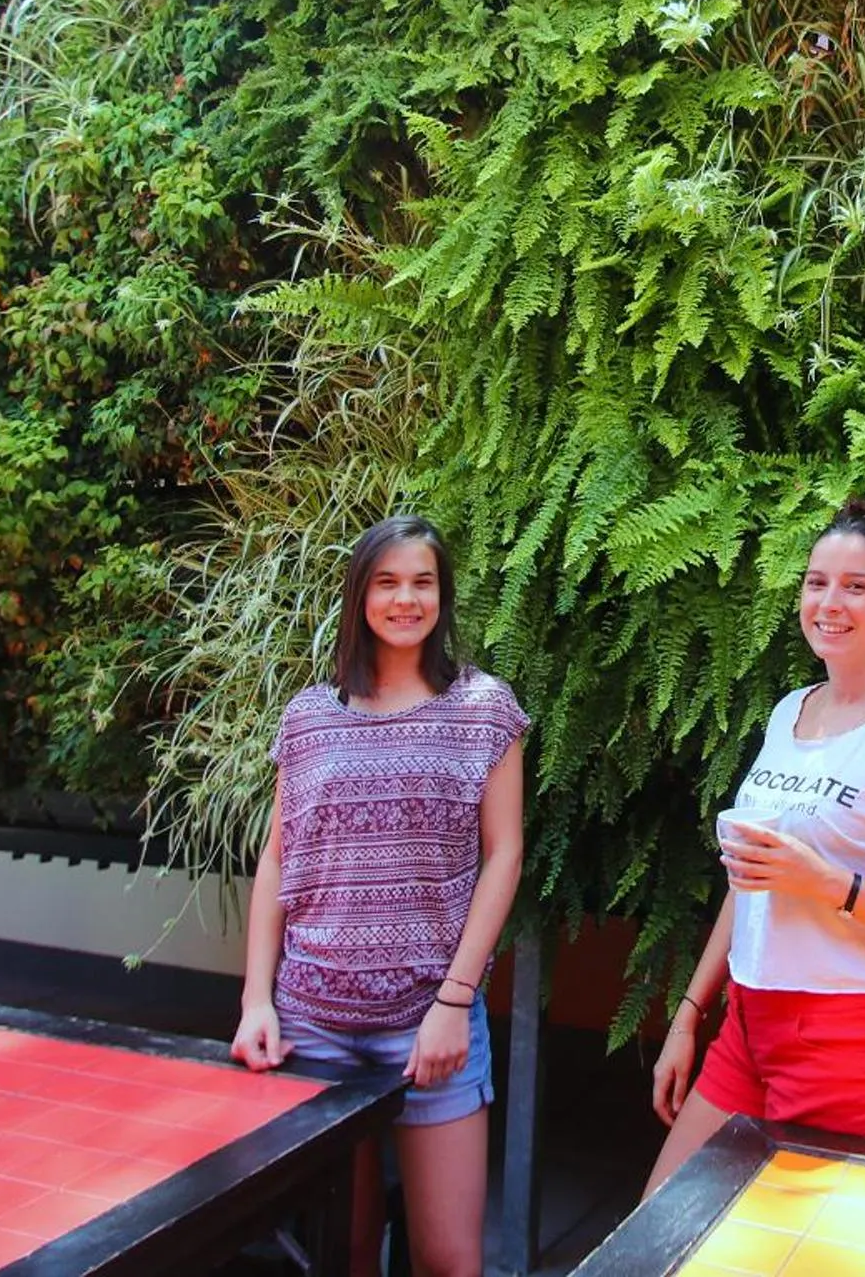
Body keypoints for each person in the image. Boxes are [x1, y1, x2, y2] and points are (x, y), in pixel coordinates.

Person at [643, 498, 865, 1195]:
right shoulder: (790, 712)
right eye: (815, 581)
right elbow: (752, 881)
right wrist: (690, 1012)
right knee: (660, 1236)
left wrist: (833, 885)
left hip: (852, 1049)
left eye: (856, 585)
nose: (829, 601)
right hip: (746, 1030)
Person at [233, 513, 526, 1277]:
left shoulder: (483, 709)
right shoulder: (307, 718)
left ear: (443, 595)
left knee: (449, 1260)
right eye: (387, 582)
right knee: (343, 1252)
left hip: (430, 1024)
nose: (406, 599)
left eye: (422, 582)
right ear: (360, 595)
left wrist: (456, 1001)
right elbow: (276, 858)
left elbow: (505, 858)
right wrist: (256, 1001)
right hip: (313, 1023)